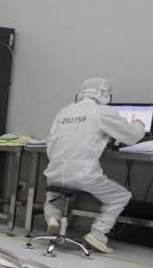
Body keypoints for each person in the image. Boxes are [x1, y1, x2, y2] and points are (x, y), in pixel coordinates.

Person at [43, 78, 145, 254]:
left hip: (55, 171)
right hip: (83, 174)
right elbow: (130, 136)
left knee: (54, 195)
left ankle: (53, 218)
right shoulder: (102, 111)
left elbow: (51, 143)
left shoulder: (64, 111)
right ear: (104, 93)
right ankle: (97, 235)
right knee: (120, 196)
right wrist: (139, 125)